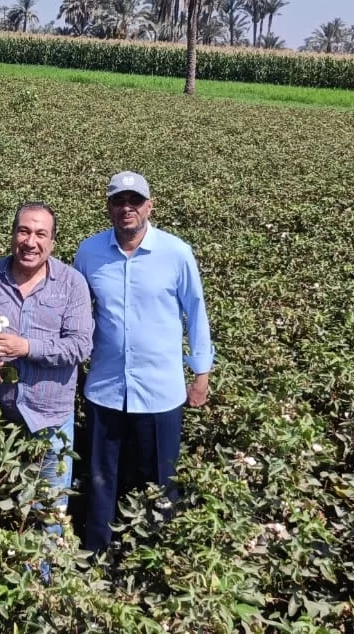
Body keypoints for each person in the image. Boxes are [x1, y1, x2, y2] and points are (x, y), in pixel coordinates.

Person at [73, 171, 214, 554]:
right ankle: (97, 556)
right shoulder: (89, 253)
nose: (127, 208)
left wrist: (201, 374)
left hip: (160, 392)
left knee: (158, 479)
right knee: (102, 479)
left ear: (150, 206)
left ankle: (154, 557)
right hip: (105, 387)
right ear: (109, 207)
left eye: (135, 201)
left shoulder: (176, 252)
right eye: (119, 201)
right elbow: (77, 312)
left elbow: (195, 312)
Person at [0, 202, 94, 526]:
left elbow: (79, 346)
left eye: (40, 234)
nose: (31, 242)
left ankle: (43, 577)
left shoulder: (71, 283)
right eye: (24, 231)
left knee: (47, 515)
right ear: (12, 235)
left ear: (52, 243)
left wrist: (26, 347)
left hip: (49, 421)